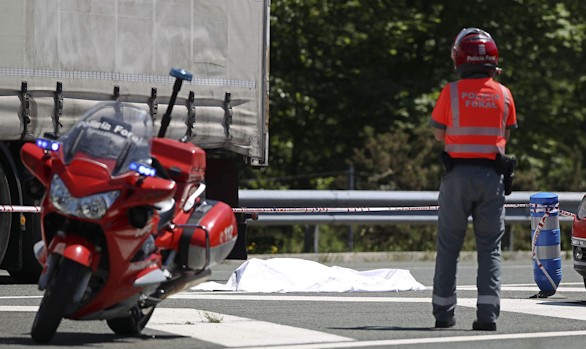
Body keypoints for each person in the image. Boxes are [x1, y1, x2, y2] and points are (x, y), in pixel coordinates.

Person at [429, 28, 517, 331]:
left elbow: (440, 133)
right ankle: (487, 315)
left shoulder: (450, 92)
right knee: (490, 248)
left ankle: (443, 313)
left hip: (457, 176)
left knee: (449, 246)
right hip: (492, 177)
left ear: (459, 57)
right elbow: (505, 134)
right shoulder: (504, 94)